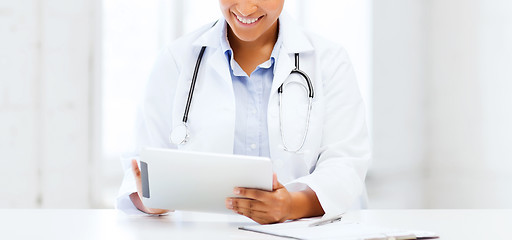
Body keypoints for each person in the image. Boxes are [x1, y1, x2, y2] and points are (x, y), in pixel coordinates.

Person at [117, 0, 371, 225]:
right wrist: (151, 201)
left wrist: (291, 206)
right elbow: (144, 165)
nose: (246, 8)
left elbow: (345, 164)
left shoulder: (329, 60)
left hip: (306, 231)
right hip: (205, 233)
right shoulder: (176, 59)